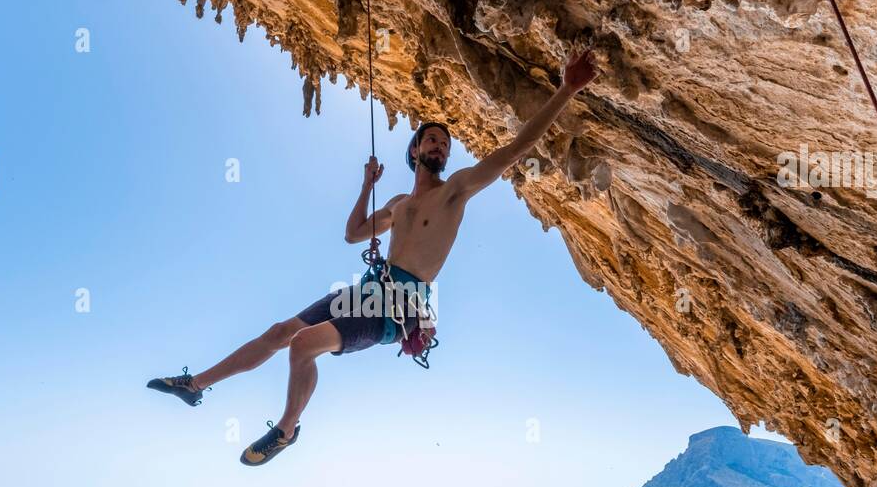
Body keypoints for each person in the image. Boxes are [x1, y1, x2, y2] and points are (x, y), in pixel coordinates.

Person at [149, 48, 599, 465]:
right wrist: (367, 183)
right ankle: (196, 385)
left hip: (396, 309)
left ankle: (286, 431)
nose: (440, 147)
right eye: (432, 141)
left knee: (304, 346)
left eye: (445, 143)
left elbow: (514, 151)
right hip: (366, 292)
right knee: (280, 332)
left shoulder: (455, 192)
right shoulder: (400, 205)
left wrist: (568, 89)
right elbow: (351, 234)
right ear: (415, 150)